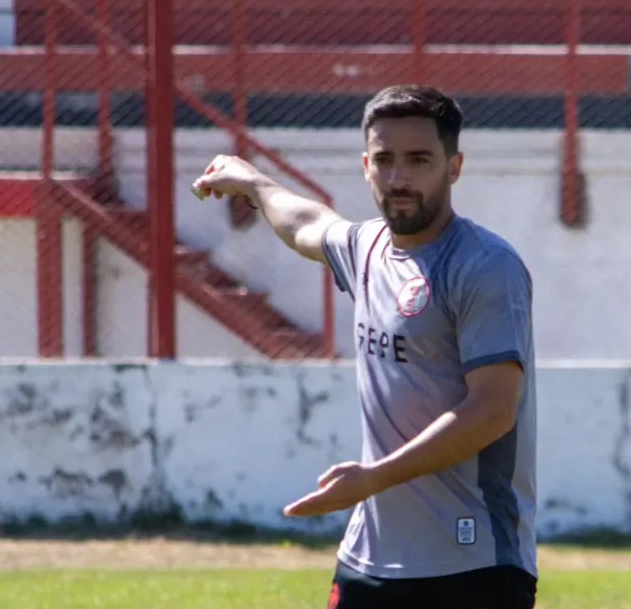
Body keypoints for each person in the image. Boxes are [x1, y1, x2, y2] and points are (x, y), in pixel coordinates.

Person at [192, 85, 538, 609]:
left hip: (471, 561)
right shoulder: (366, 248)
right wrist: (253, 183)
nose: (399, 177)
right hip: (369, 558)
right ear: (366, 165)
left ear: (454, 166)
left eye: (419, 160)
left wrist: (373, 478)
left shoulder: (484, 266)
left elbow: (492, 411)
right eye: (385, 160)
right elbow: (306, 223)